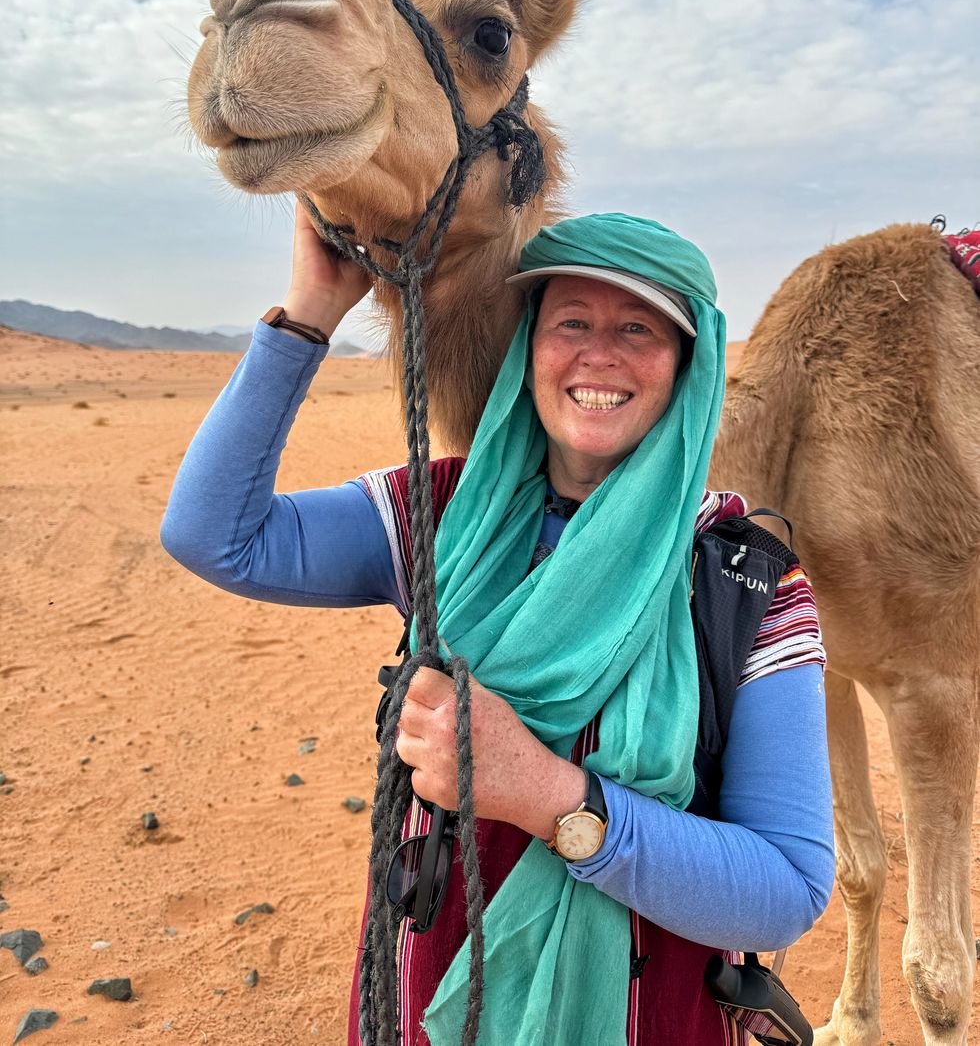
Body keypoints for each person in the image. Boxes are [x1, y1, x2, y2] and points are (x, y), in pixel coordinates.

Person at [161, 204, 834, 1045]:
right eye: (572, 322)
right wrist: (310, 308)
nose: (600, 353)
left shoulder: (741, 581)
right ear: (529, 346)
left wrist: (547, 796)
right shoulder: (444, 512)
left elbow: (787, 885)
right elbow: (214, 535)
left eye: (639, 327)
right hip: (431, 990)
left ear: (686, 368)